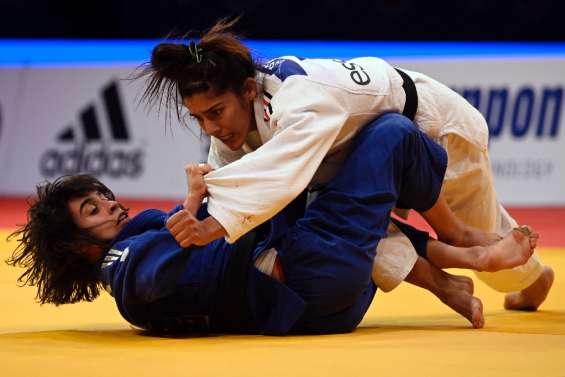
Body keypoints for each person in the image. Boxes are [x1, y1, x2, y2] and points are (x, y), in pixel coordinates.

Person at [137, 19, 553, 310]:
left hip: (437, 127)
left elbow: (278, 175)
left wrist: (213, 225)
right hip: (368, 147)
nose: (211, 128)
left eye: (216, 112)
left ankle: (529, 282)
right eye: (200, 119)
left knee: (478, 233)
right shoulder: (241, 123)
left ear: (247, 90)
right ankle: (449, 283)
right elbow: (234, 189)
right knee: (340, 222)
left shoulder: (298, 97)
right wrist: (195, 217)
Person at [7, 114, 537, 334]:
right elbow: (162, 268)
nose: (110, 206)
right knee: (392, 135)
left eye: (102, 196)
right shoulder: (122, 271)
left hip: (327, 301)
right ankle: (462, 250)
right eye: (93, 212)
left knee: (320, 185)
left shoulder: (143, 227)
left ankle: (458, 268)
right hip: (305, 276)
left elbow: (200, 227)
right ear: (78, 248)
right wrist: (194, 204)